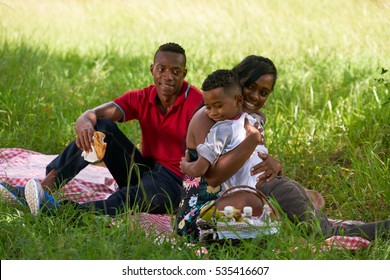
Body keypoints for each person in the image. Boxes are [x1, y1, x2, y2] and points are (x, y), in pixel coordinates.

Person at [176, 55, 389, 241]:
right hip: (205, 209)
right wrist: (253, 139)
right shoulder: (210, 116)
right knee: (281, 204)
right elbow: (214, 178)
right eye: (250, 86)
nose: (254, 96)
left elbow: (251, 160)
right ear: (235, 83)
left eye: (264, 92)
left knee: (304, 197)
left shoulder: (249, 119)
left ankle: (319, 225)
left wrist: (272, 162)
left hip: (240, 192)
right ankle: (335, 231)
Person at [2, 42, 204, 217]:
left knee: (126, 198)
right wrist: (85, 125)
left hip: (175, 182)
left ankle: (59, 211)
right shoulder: (142, 97)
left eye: (175, 71)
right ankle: (45, 187)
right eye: (162, 69)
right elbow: (92, 115)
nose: (168, 76)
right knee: (101, 128)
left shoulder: (197, 103)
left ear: (184, 74)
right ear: (152, 69)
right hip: (144, 170)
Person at [179, 69, 268, 190]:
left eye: (218, 106)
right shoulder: (247, 122)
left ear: (238, 101)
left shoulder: (223, 130)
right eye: (208, 107)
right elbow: (203, 170)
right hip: (251, 189)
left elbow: (199, 169)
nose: (213, 113)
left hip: (251, 188)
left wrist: (185, 166)